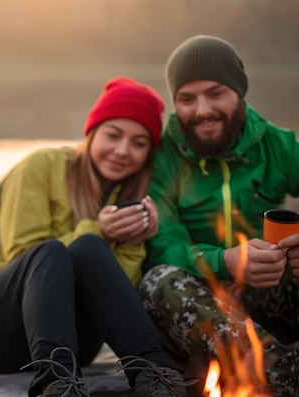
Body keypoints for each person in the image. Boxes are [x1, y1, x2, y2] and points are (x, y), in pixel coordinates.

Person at [0, 77, 195, 397]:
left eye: (139, 143)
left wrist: (134, 242)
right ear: (92, 132)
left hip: (74, 344)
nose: (123, 151)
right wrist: (100, 230)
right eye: (113, 135)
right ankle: (56, 383)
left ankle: (155, 372)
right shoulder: (41, 167)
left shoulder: (132, 200)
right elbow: (26, 256)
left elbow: (115, 299)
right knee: (53, 250)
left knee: (89, 247)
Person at [138, 35, 299, 397]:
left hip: (267, 295)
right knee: (157, 280)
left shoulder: (278, 145)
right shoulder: (161, 157)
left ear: (239, 92)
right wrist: (226, 260)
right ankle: (287, 375)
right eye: (186, 99)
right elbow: (163, 245)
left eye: (216, 93)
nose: (202, 109)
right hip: (197, 310)